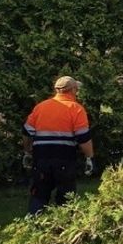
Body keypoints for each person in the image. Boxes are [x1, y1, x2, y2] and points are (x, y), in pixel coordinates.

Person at [22, 75, 94, 214]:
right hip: (64, 160)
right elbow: (83, 138)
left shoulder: (40, 107)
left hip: (41, 159)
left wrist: (27, 152)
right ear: (73, 90)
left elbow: (26, 132)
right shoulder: (76, 108)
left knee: (39, 195)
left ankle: (32, 227)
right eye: (76, 89)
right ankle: (63, 228)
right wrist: (90, 157)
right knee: (66, 198)